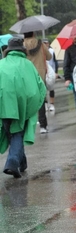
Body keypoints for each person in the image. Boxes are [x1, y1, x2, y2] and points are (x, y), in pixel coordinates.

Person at [0, 37, 46, 178]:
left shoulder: (1, 64)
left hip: (3, 105)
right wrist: (34, 105)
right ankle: (13, 163)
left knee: (12, 132)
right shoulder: (28, 65)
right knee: (18, 133)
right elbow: (40, 87)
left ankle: (22, 162)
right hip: (22, 106)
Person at [23, 31, 52, 134]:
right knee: (41, 101)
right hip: (40, 75)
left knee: (27, 100)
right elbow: (49, 57)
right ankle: (43, 126)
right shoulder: (41, 44)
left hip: (27, 75)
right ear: (33, 33)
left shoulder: (22, 45)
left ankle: (26, 126)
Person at [43, 38, 57, 111]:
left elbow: (55, 61)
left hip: (51, 71)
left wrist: (56, 72)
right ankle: (45, 104)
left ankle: (52, 104)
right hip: (43, 71)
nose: (45, 44)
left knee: (51, 88)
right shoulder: (40, 51)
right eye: (44, 43)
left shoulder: (51, 51)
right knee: (43, 89)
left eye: (46, 43)